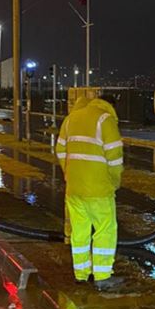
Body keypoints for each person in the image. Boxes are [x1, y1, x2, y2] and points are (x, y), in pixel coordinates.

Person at [56, 95, 124, 291]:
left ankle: (81, 273)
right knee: (105, 229)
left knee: (79, 231)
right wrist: (114, 181)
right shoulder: (105, 119)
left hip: (74, 188)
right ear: (110, 105)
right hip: (98, 188)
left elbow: (60, 151)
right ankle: (102, 276)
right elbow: (115, 157)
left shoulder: (71, 119)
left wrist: (69, 173)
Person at [61, 96, 91, 245]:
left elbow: (60, 149)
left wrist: (65, 169)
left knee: (72, 206)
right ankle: (85, 238)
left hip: (73, 175)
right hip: (92, 175)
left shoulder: (69, 120)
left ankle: (69, 235)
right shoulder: (95, 121)